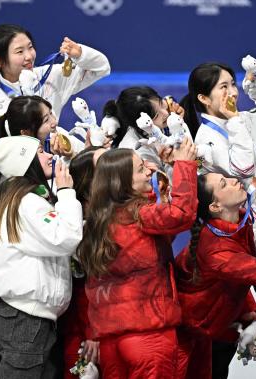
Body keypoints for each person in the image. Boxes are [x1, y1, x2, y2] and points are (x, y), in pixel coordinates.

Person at [180, 62, 256, 376]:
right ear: (204, 99)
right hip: (229, 246)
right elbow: (243, 168)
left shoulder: (242, 121)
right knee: (222, 338)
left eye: (232, 84)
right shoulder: (205, 140)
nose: (232, 92)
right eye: (224, 86)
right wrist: (236, 121)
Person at [77, 139, 198, 378]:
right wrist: (184, 165)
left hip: (112, 340)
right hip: (149, 336)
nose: (149, 171)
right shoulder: (140, 214)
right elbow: (183, 215)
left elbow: (149, 250)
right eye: (141, 169)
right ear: (123, 183)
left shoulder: (100, 219)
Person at [0, 136, 83, 378]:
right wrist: (67, 192)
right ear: (23, 162)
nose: (49, 156)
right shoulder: (27, 203)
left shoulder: (25, 198)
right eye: (40, 152)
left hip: (31, 315)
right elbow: (64, 237)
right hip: (24, 317)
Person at [175, 172, 256, 379]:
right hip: (195, 326)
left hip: (217, 313)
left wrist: (248, 309)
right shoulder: (215, 249)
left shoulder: (238, 223)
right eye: (224, 184)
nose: (234, 180)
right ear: (215, 207)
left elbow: (235, 280)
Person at [0, 23, 111, 121]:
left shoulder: (50, 76)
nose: (29, 56)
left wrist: (80, 54)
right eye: (19, 52)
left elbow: (101, 68)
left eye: (30, 47)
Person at [61, 146, 107, 377]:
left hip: (112, 325)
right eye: (105, 165)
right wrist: (93, 333)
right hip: (84, 329)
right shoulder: (79, 227)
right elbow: (86, 291)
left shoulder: (112, 215)